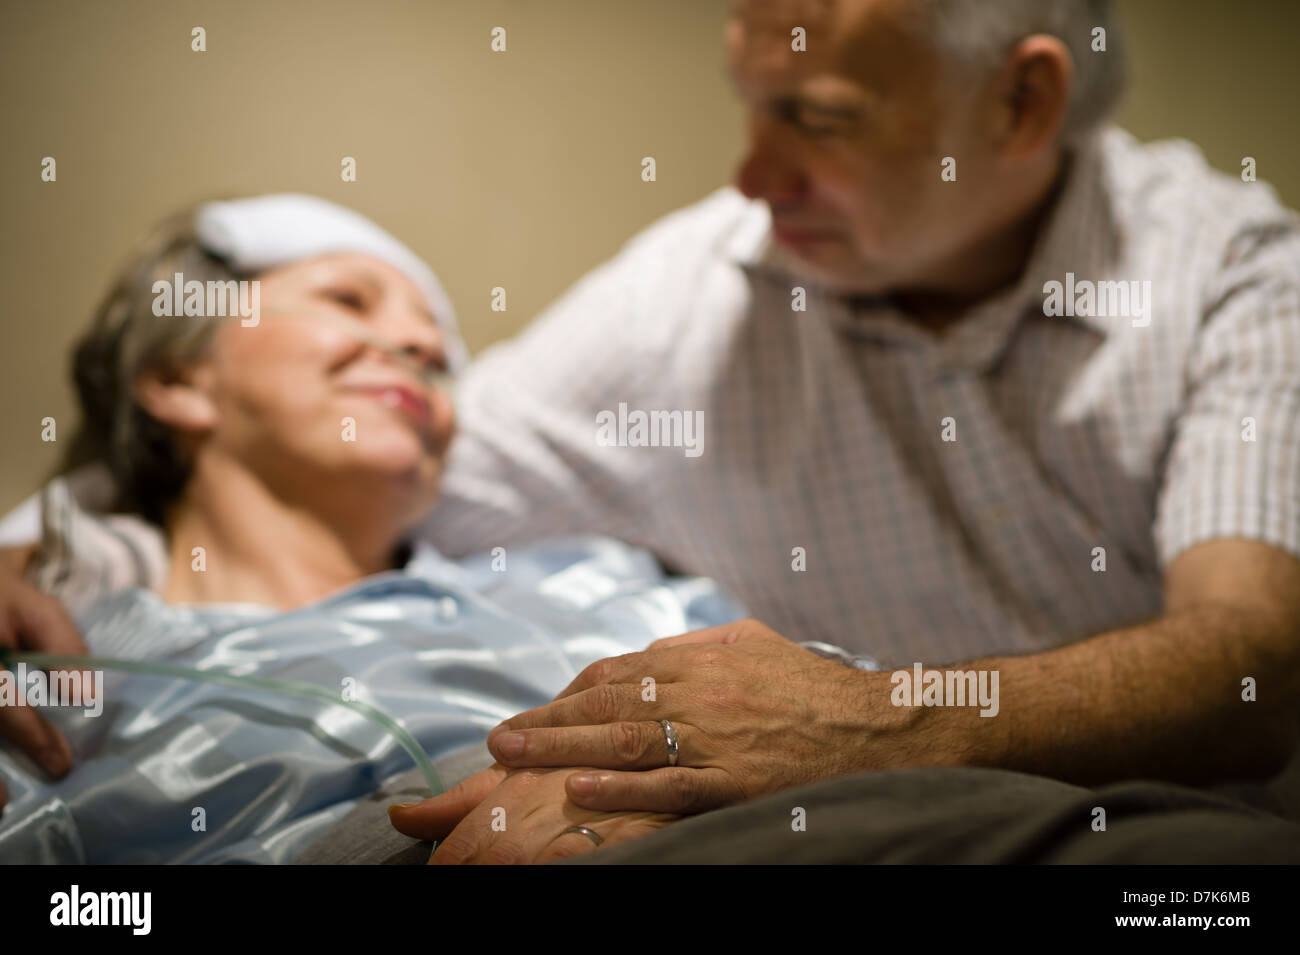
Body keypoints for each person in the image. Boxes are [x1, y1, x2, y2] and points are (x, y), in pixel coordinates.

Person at [3, 0, 1299, 863]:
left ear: (1019, 108)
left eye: (822, 118)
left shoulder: (1235, 271)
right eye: (751, 97)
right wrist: (40, 556)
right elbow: (306, 484)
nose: (749, 174)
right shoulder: (687, 302)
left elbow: (1257, 663)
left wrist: (856, 726)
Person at [0, 195, 775, 862]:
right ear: (175, 378)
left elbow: (826, 714)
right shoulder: (58, 678)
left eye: (436, 358)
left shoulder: (604, 585)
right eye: (349, 300)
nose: (422, 345)